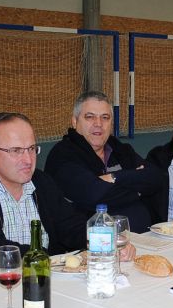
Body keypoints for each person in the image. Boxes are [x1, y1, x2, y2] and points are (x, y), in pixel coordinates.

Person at [0, 112, 136, 277]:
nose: (28, 159)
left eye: (31, 149)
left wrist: (106, 243)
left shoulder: (41, 182)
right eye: (16, 151)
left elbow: (70, 225)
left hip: (48, 280)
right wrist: (53, 260)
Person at [45, 91, 166, 233]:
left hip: (144, 238)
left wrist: (115, 177)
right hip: (92, 247)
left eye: (105, 117)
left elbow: (156, 177)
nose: (98, 124)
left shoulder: (120, 149)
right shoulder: (62, 155)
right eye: (90, 117)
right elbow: (93, 193)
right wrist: (138, 189)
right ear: (75, 121)